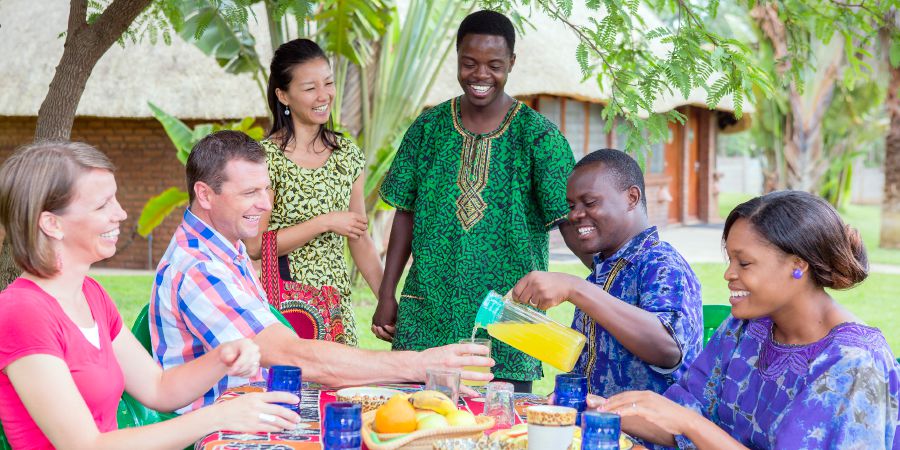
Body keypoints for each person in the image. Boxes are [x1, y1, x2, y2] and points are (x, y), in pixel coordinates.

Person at [151, 130, 493, 413]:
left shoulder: (226, 246)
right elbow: (290, 355)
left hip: (252, 412)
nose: (267, 204)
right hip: (220, 433)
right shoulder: (200, 267)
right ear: (205, 195)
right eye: (250, 192)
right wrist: (420, 365)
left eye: (265, 189)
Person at [0, 141, 300, 450]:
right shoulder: (23, 312)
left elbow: (158, 388)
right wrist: (218, 416)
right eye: (102, 205)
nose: (121, 213)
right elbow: (85, 446)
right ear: (52, 223)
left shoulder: (90, 295)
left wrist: (222, 359)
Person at [599, 191, 900, 449]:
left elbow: (688, 422)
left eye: (744, 262)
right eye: (729, 260)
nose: (729, 274)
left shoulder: (853, 363)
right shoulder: (747, 327)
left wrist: (689, 424)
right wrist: (591, 411)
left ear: (798, 265)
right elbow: (682, 415)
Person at [374, 10, 576, 393]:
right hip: (428, 310)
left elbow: (570, 219)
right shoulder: (427, 129)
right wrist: (387, 294)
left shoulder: (539, 138)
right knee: (421, 424)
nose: (481, 75)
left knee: (500, 427)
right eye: (469, 63)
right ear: (457, 58)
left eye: (494, 65)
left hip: (509, 321)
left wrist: (602, 283)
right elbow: (405, 214)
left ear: (512, 64)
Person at [513, 149, 703, 419]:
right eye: (571, 206)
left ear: (631, 198)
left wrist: (575, 288)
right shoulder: (603, 271)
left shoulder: (661, 263)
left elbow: (668, 348)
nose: (576, 215)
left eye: (589, 202)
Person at [243, 38, 382, 346]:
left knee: (340, 394)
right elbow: (255, 246)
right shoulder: (266, 159)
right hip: (285, 310)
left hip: (336, 310)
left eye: (328, 83)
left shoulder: (347, 154)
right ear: (283, 95)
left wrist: (386, 301)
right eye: (309, 88)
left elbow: (360, 238)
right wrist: (325, 221)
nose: (324, 95)